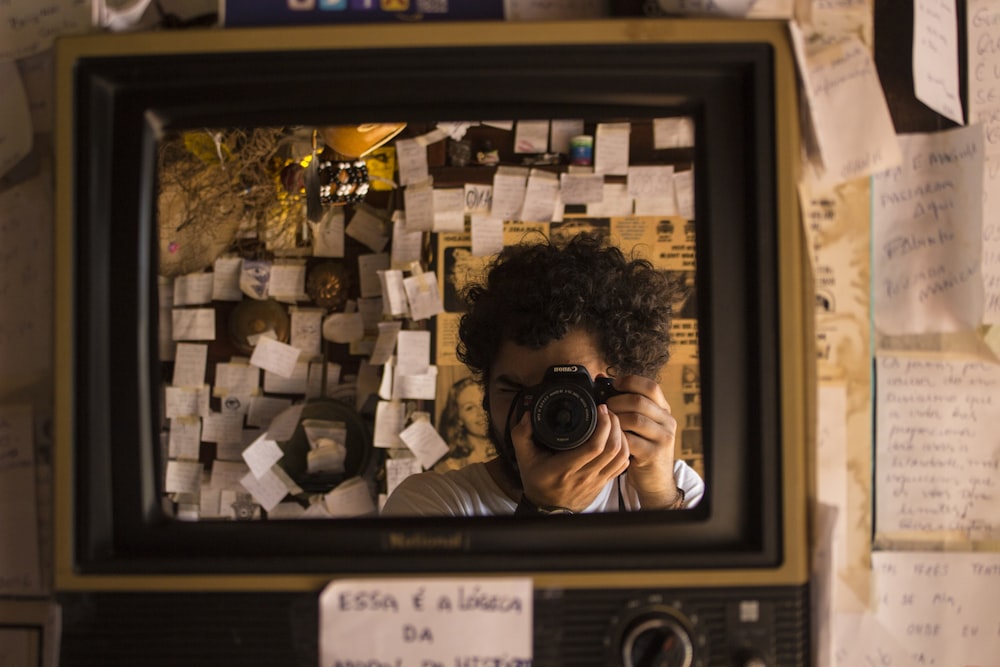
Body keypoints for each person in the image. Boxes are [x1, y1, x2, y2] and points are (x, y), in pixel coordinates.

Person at [381, 232, 704, 516]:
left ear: (623, 391)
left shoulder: (670, 487)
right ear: (485, 390)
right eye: (513, 389)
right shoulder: (430, 503)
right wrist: (543, 510)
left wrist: (661, 501)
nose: (535, 412)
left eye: (568, 392)